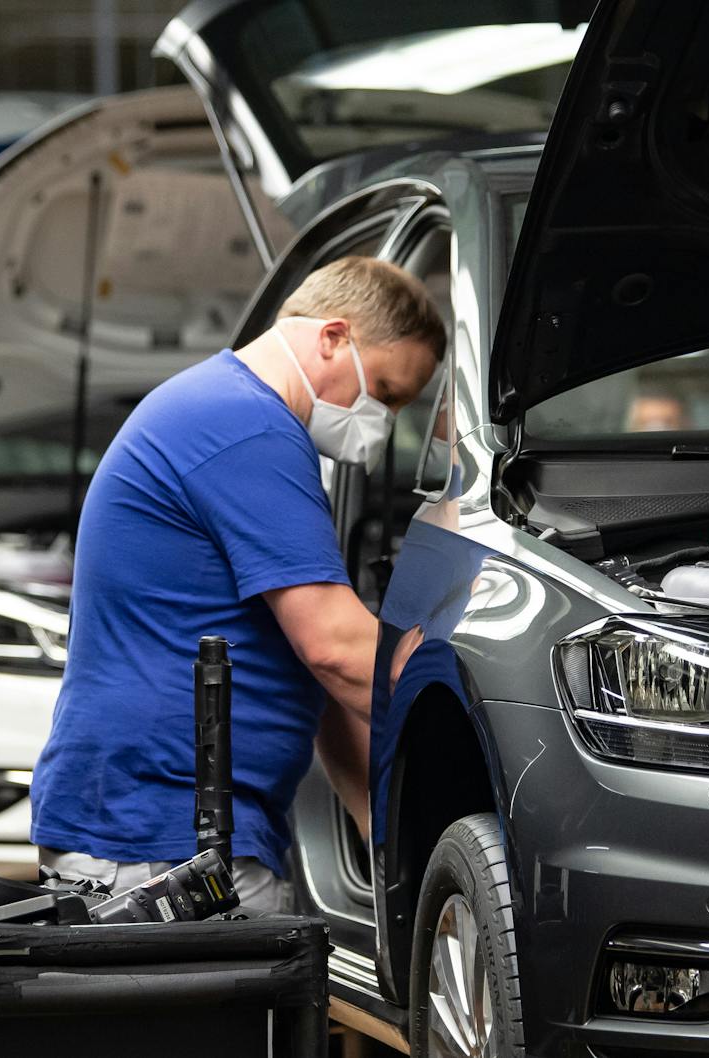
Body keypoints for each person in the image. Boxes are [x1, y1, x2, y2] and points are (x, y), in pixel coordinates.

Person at [30, 257, 445, 912]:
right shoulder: (246, 428)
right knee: (250, 1011)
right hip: (159, 839)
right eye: (386, 392)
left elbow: (318, 672)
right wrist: (478, 709)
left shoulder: (225, 412)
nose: (384, 419)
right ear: (332, 338)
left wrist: (386, 826)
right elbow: (335, 647)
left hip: (168, 827)